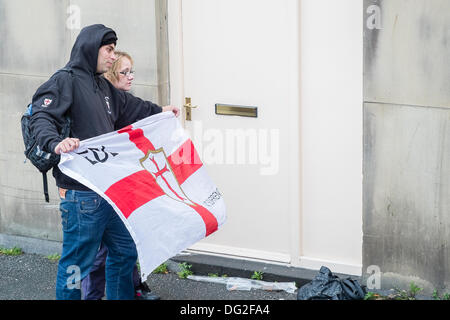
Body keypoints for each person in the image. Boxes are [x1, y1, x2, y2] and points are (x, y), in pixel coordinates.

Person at [29, 24, 179, 300]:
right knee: (76, 265)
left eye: (113, 50)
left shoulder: (103, 86)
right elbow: (41, 116)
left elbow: (131, 107)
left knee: (124, 251)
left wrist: (161, 112)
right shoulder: (65, 81)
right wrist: (55, 143)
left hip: (111, 191)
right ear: (90, 47)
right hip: (82, 195)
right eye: (108, 50)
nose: (112, 56)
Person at [80, 51, 159, 300]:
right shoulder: (101, 107)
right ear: (112, 75)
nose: (131, 77)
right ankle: (91, 295)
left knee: (129, 241)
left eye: (131, 71)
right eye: (124, 72)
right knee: (102, 250)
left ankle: (134, 287)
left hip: (128, 183)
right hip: (104, 187)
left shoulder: (126, 102)